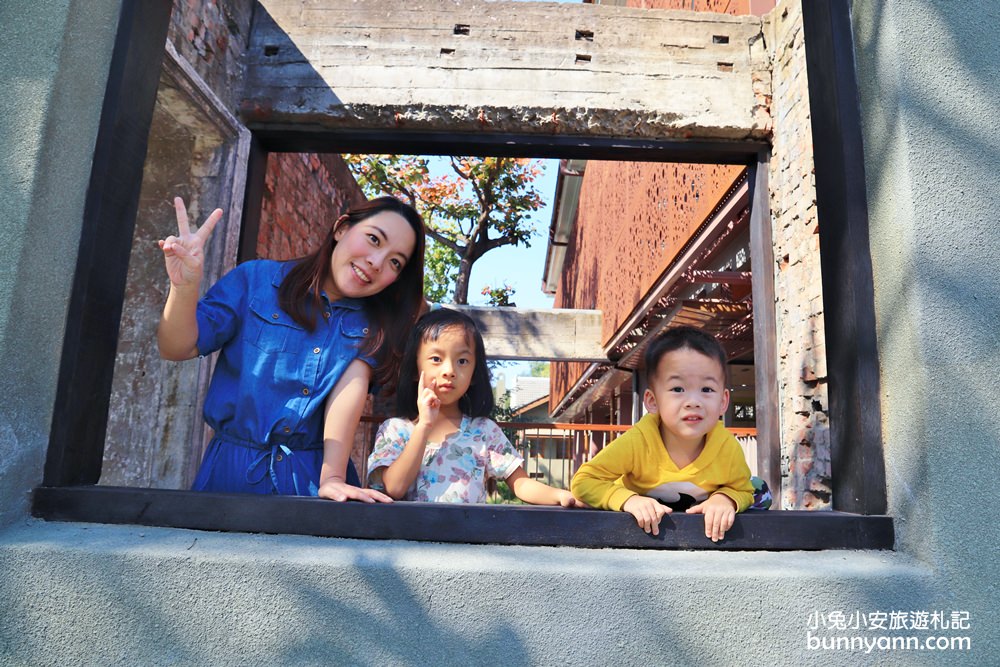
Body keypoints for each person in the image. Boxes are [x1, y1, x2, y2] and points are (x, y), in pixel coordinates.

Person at [157, 195, 425, 501]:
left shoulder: (375, 326)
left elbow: (349, 391)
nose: (376, 263)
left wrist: (333, 478)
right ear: (341, 228)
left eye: (395, 262)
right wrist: (184, 286)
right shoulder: (256, 280)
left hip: (313, 483)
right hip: (230, 474)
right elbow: (176, 347)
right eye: (374, 239)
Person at [367, 308, 585, 506]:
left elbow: (522, 485)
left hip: (469, 545)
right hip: (410, 546)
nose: (449, 370)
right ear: (414, 369)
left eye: (462, 361)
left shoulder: (484, 431)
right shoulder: (395, 430)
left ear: (473, 374)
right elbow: (393, 488)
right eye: (436, 358)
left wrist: (558, 495)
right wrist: (424, 425)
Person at [571, 326, 762, 542]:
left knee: (760, 490)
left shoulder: (726, 447)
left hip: (698, 542)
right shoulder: (638, 443)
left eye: (707, 389)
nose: (693, 402)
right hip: (640, 538)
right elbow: (584, 481)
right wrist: (628, 500)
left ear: (723, 401)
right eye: (678, 389)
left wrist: (725, 499)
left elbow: (744, 491)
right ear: (653, 401)